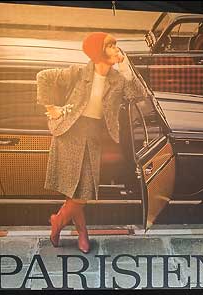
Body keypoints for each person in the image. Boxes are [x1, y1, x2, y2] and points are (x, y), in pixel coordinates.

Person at [37, 32, 146, 253]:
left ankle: (58, 221)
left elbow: (138, 95)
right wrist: (51, 109)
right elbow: (43, 77)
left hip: (95, 136)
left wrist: (126, 68)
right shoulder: (77, 73)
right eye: (111, 46)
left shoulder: (118, 79)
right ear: (98, 52)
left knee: (82, 192)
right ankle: (82, 234)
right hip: (69, 134)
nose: (117, 49)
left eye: (116, 44)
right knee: (77, 192)